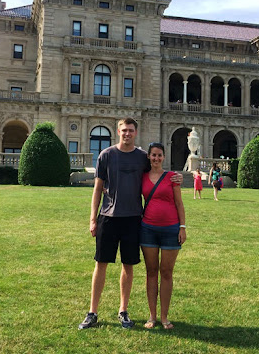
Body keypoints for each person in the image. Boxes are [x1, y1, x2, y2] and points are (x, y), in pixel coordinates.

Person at [79, 118, 182, 330]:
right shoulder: (106, 155)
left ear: (136, 132)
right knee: (100, 264)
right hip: (108, 216)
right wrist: (92, 219)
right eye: (124, 130)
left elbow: (157, 171)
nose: (127, 133)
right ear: (118, 132)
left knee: (128, 265)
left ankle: (123, 310)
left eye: (131, 130)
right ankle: (92, 312)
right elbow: (97, 189)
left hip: (133, 219)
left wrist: (176, 177)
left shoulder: (142, 157)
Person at [140, 143, 186, 330]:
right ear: (148, 157)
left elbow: (179, 203)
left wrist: (182, 227)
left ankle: (164, 316)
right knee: (151, 272)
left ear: (164, 157)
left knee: (166, 273)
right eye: (153, 155)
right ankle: (152, 316)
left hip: (170, 229)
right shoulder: (142, 177)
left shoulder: (172, 177)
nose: (156, 158)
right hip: (148, 229)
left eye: (159, 155)